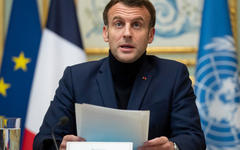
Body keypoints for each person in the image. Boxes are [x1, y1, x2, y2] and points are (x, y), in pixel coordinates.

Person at [33, 0, 206, 150]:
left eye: (137, 24)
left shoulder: (173, 75)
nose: (127, 33)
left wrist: (172, 147)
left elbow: (194, 139)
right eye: (118, 24)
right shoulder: (76, 77)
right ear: (106, 33)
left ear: (150, 35)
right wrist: (61, 146)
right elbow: (43, 140)